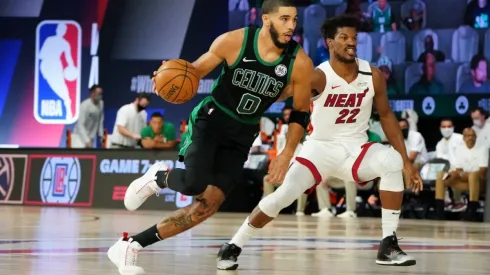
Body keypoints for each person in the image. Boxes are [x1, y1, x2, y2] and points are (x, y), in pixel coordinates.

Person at [107, 1, 313, 274]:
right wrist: (166, 75)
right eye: (284, 19)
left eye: (294, 19)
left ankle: (130, 246)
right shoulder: (235, 41)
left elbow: (300, 112)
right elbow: (193, 72)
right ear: (266, 19)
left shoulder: (298, 61)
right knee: (193, 183)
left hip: (242, 134)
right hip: (211, 120)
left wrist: (287, 153)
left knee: (208, 205)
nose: (291, 26)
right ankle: (158, 177)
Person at [216, 14, 422, 270]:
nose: (351, 43)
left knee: (392, 161)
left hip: (356, 149)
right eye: (344, 38)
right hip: (319, 149)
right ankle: (234, 244)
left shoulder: (373, 75)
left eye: (354, 38)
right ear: (330, 43)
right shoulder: (317, 76)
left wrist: (406, 162)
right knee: (283, 196)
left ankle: (388, 245)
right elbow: (282, 95)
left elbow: (388, 116)